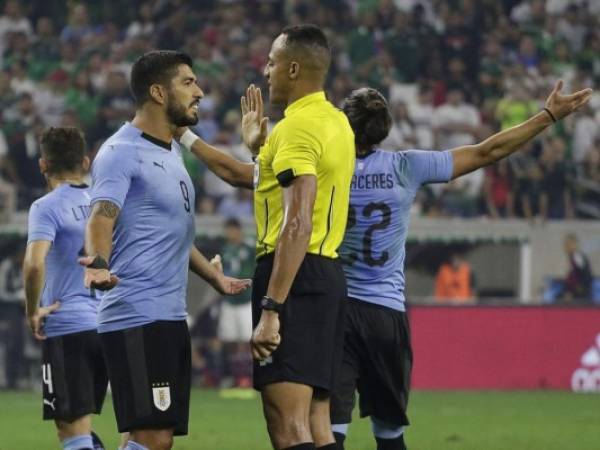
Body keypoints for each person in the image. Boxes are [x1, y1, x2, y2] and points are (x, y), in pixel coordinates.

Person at [329, 81, 592, 450]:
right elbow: (489, 151)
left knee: (330, 431)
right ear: (384, 128)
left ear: (345, 122)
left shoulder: (325, 169)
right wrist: (548, 116)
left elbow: (257, 177)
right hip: (385, 315)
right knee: (389, 434)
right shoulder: (406, 166)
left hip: (338, 310)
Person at [175, 24, 355, 450]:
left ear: (294, 68)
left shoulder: (295, 130)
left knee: (287, 425)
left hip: (292, 275)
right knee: (318, 422)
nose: (266, 70)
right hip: (327, 277)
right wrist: (248, 148)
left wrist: (272, 306)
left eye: (272, 62)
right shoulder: (335, 124)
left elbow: (297, 221)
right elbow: (249, 177)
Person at [81, 50, 251, 450]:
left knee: (148, 437)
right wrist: (99, 263)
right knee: (154, 439)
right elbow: (100, 217)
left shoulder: (170, 152)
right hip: (136, 315)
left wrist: (214, 277)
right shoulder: (120, 151)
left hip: (169, 314)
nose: (200, 92)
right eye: (188, 83)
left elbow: (171, 235)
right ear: (158, 92)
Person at [22, 127, 107, 450]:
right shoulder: (105, 205)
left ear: (43, 165)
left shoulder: (45, 207)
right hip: (108, 325)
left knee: (71, 432)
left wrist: (32, 310)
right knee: (86, 428)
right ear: (85, 161)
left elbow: (33, 264)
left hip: (68, 325)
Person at [217, 217, 255, 388]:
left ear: (239, 230)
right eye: (228, 230)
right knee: (230, 340)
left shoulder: (248, 249)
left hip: (245, 301)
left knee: (247, 340)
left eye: (233, 230)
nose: (230, 233)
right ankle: (235, 374)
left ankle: (247, 376)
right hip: (229, 302)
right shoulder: (225, 250)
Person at [561, 233, 593, 302]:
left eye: (568, 244)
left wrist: (580, 287)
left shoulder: (578, 257)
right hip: (576, 290)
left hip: (581, 293)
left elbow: (586, 274)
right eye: (565, 245)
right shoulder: (572, 257)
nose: (566, 247)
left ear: (575, 244)